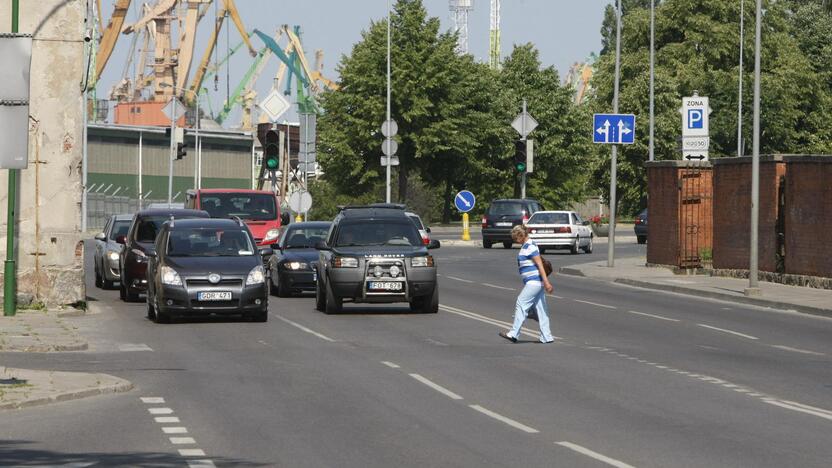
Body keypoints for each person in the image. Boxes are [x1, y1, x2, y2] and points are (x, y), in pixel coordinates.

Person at [499, 224, 555, 344]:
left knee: (521, 303)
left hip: (534, 282)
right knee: (541, 309)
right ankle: (546, 336)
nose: (515, 240)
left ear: (521, 235)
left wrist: (546, 283)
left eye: (516, 238)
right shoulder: (527, 245)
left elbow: (540, 265)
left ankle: (514, 333)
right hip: (535, 282)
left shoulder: (530, 246)